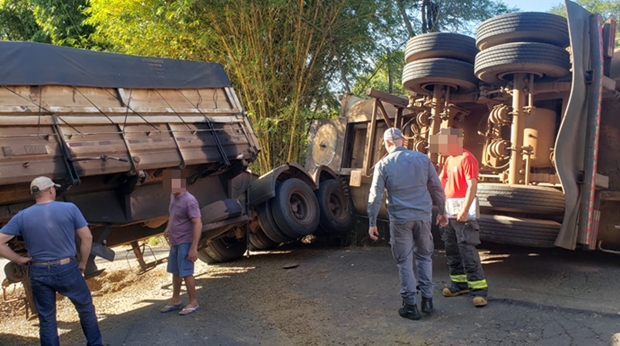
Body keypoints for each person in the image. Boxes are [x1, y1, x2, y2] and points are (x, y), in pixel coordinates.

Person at [0, 176, 106, 346]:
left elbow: (0, 241)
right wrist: (83, 263)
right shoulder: (69, 208)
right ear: (51, 190)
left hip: (38, 271)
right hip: (67, 268)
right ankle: (95, 344)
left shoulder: (22, 216)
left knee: (47, 319)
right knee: (85, 309)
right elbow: (87, 237)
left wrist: (19, 259)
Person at [368, 127, 447, 320]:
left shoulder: (383, 164)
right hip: (422, 217)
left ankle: (410, 306)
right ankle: (427, 300)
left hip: (400, 219)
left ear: (387, 143)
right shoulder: (422, 159)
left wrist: (372, 222)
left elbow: (375, 196)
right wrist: (443, 211)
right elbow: (437, 187)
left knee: (404, 261)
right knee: (424, 257)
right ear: (403, 141)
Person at [433, 127, 489, 307]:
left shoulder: (467, 159)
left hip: (463, 213)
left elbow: (472, 185)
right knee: (451, 249)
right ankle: (459, 284)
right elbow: (442, 186)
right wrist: (441, 211)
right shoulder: (449, 160)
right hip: (449, 211)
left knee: (467, 249)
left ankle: (479, 291)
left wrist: (464, 210)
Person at [160, 169, 203, 316]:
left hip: (185, 242)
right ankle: (176, 299)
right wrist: (167, 228)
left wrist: (193, 248)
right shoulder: (173, 196)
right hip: (175, 242)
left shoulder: (189, 201)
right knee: (175, 271)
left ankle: (193, 302)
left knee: (186, 273)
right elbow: (172, 214)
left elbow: (197, 223)